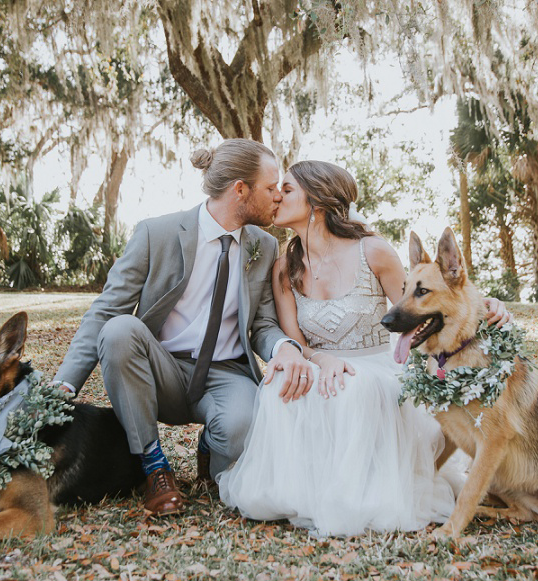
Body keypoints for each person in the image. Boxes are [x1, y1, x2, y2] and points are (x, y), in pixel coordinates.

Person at [218, 160, 510, 536]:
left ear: (317, 201)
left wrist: (488, 306)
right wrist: (320, 361)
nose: (276, 196)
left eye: (287, 190)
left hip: (377, 366)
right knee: (281, 388)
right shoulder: (283, 267)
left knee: (352, 387)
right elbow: (297, 341)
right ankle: (303, 492)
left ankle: (355, 498)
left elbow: (423, 306)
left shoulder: (372, 251)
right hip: (319, 362)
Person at [53, 139, 317, 516]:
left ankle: (210, 444)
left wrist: (284, 348)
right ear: (240, 190)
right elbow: (104, 311)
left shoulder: (264, 246)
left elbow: (262, 323)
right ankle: (154, 467)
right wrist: (64, 384)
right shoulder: (154, 234)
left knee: (241, 432)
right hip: (162, 370)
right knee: (118, 331)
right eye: (271, 187)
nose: (278, 196)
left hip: (226, 375)